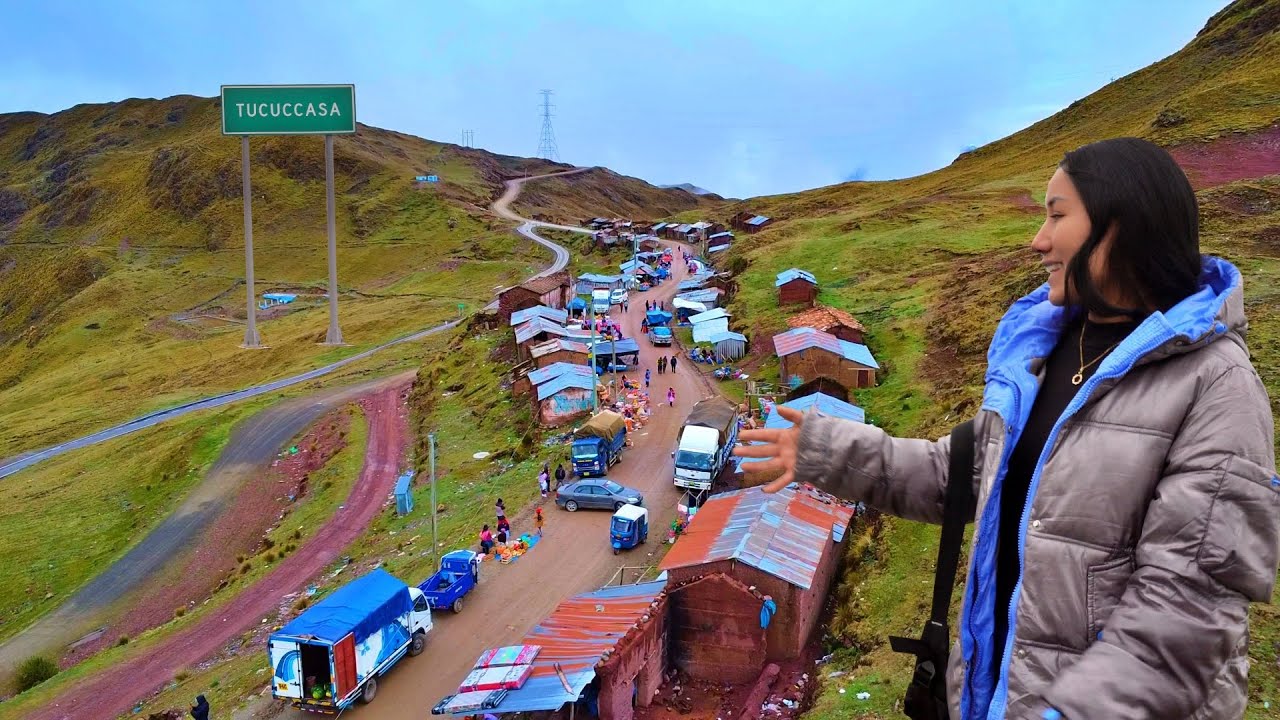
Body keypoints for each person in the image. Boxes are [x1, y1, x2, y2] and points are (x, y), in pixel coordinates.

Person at [735, 138, 1277, 719]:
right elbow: (964, 474)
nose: (1038, 240)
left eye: (1058, 214)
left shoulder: (1217, 386)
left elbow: (1183, 617)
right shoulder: (1050, 352)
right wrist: (823, 448)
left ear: (1121, 226)